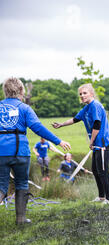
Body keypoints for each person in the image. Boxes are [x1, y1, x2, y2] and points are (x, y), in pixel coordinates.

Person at [0, 77, 71, 224]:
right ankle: (21, 219)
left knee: (1, 185)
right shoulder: (25, 108)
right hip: (21, 153)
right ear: (21, 90)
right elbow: (38, 128)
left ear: (5, 91)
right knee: (21, 184)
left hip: (1, 153)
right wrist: (58, 141)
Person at [52, 83, 109, 204]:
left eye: (84, 93)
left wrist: (91, 142)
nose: (82, 95)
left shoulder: (95, 105)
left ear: (91, 93)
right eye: (80, 94)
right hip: (96, 145)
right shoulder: (86, 108)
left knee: (102, 171)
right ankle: (101, 197)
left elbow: (97, 124)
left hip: (103, 143)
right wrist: (61, 124)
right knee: (95, 171)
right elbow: (75, 119)